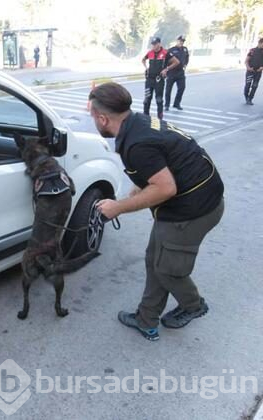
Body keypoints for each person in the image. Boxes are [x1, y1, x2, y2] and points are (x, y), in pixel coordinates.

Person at [88, 82, 225, 341]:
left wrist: (117, 208)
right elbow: (157, 170)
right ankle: (147, 319)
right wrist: (137, 190)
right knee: (155, 259)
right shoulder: (137, 123)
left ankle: (193, 305)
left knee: (167, 270)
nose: (92, 120)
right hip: (186, 204)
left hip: (193, 211)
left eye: (92, 116)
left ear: (103, 118)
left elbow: (165, 188)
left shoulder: (137, 144)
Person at [142, 37, 180, 119]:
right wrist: (146, 67)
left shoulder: (166, 53)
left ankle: (160, 119)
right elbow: (143, 60)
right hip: (149, 79)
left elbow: (176, 62)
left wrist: (166, 69)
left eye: (155, 44)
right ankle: (145, 118)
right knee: (146, 99)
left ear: (159, 44)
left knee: (159, 100)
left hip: (159, 80)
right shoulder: (150, 52)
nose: (153, 46)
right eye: (152, 44)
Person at [165, 35, 189, 111]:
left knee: (182, 88)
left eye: (183, 41)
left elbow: (187, 58)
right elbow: (166, 61)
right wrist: (166, 70)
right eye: (180, 41)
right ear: (177, 41)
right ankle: (166, 105)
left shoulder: (185, 49)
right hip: (171, 72)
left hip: (181, 73)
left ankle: (176, 104)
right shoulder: (171, 50)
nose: (181, 42)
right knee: (168, 90)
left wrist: (185, 65)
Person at [243, 37, 263, 105]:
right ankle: (246, 97)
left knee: (255, 86)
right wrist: (248, 68)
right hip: (250, 71)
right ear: (260, 43)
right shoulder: (252, 50)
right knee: (247, 85)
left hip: (258, 72)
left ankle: (250, 99)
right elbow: (246, 61)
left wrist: (261, 68)